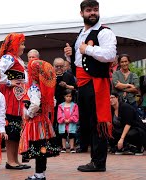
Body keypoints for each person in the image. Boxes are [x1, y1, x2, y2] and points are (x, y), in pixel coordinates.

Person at [64, 0, 117, 172]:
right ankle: (94, 159)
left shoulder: (104, 32)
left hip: (97, 83)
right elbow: (79, 63)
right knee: (89, 122)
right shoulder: (82, 33)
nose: (92, 13)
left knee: (98, 122)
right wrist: (70, 56)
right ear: (82, 14)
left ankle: (99, 162)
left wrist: (88, 49)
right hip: (84, 83)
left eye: (95, 10)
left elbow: (110, 55)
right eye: (88, 10)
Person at [19, 59, 59, 180]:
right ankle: (41, 173)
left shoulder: (34, 87)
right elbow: (53, 102)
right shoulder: (45, 87)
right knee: (43, 148)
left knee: (38, 148)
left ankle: (39, 174)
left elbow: (35, 104)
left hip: (36, 122)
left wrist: (29, 113)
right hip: (44, 120)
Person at [0, 33, 30, 170]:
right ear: (14, 45)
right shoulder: (8, 58)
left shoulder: (16, 59)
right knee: (12, 129)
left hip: (18, 99)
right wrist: (9, 82)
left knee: (16, 130)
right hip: (11, 99)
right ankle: (11, 161)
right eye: (21, 44)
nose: (23, 47)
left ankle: (15, 160)